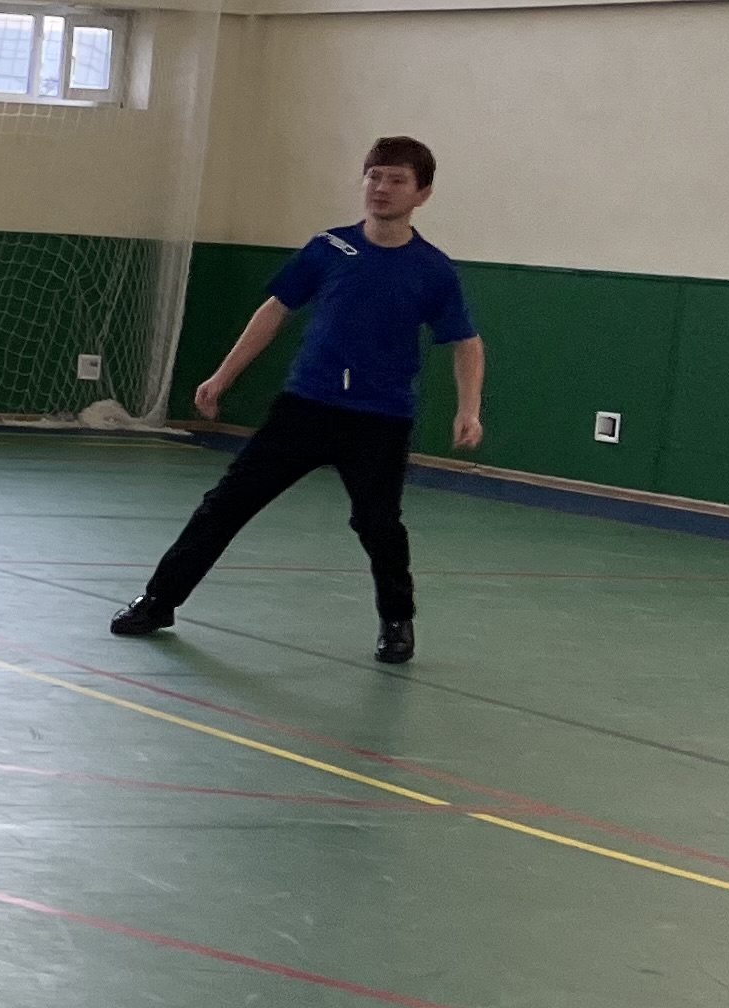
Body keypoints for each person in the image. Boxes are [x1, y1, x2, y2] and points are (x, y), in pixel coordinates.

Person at [113, 136, 484, 666]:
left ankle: (397, 622)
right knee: (226, 505)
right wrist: (222, 376)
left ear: (421, 194)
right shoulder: (327, 248)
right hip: (305, 408)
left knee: (378, 525)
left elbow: (466, 342)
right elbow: (275, 310)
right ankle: (158, 602)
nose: (381, 188)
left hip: (379, 419)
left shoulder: (433, 270)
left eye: (397, 180)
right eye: (374, 176)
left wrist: (468, 409)